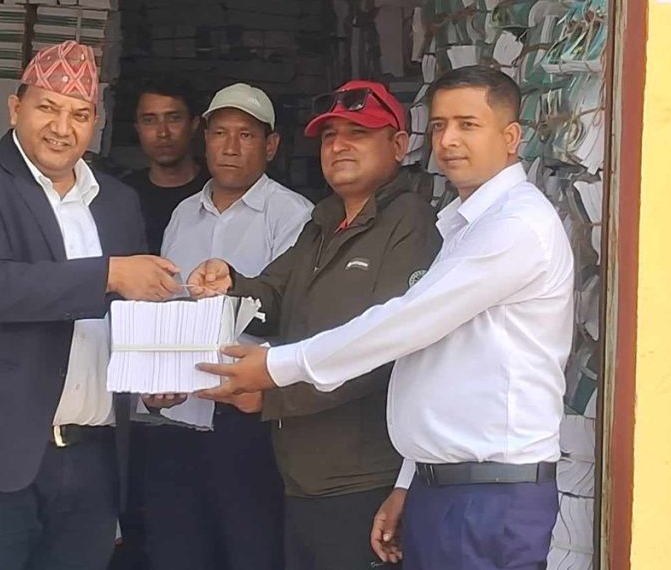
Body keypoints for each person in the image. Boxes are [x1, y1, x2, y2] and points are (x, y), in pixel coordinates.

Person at [192, 65, 574, 570]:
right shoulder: (455, 225)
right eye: (439, 125)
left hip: (484, 491)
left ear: (510, 137)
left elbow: (400, 328)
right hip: (439, 482)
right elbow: (430, 366)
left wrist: (275, 372)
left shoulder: (512, 226)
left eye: (468, 124)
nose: (449, 140)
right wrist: (410, 481)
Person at [0, 40, 182, 570]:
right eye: (47, 108)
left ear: (95, 124)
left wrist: (151, 381)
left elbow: (126, 314)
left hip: (92, 459)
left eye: (79, 115)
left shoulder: (117, 202)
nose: (62, 128)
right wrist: (110, 273)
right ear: (15, 109)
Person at [189, 80, 441, 569]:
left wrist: (270, 394)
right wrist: (229, 282)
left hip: (364, 478)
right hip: (302, 474)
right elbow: (273, 295)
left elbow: (383, 350)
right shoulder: (324, 222)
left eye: (358, 133)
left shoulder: (410, 225)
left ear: (398, 145)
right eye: (329, 136)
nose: (339, 145)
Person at [141, 83, 313, 570]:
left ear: (271, 146)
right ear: (205, 139)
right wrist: (152, 383)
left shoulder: (293, 216)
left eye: (246, 135)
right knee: (177, 552)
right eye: (220, 133)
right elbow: (166, 307)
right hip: (176, 416)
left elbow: (294, 313)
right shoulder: (183, 213)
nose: (231, 147)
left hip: (245, 419)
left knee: (250, 550)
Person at [123, 75, 209, 254]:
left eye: (174, 118)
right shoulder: (123, 196)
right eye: (149, 120)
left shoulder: (216, 190)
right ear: (138, 129)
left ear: (194, 124)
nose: (163, 132)